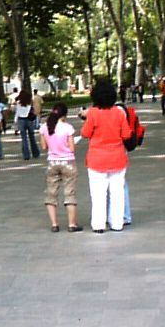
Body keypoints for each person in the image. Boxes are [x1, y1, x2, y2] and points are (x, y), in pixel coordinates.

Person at [81, 79, 132, 233]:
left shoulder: (93, 113)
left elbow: (85, 133)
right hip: (117, 158)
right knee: (117, 193)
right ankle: (117, 223)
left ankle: (98, 224)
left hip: (97, 159)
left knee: (98, 194)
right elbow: (126, 134)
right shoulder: (119, 113)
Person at [39, 102, 81, 232]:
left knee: (51, 193)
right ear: (64, 115)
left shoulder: (44, 127)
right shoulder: (67, 128)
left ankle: (54, 224)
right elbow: (72, 148)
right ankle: (72, 224)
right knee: (69, 193)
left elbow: (44, 147)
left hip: (52, 162)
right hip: (67, 162)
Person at [14, 88, 40, 160]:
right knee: (32, 137)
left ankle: (26, 155)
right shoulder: (29, 103)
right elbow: (33, 111)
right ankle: (35, 153)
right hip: (29, 120)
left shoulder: (18, 104)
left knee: (24, 138)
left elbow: (17, 113)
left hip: (21, 120)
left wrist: (15, 122)